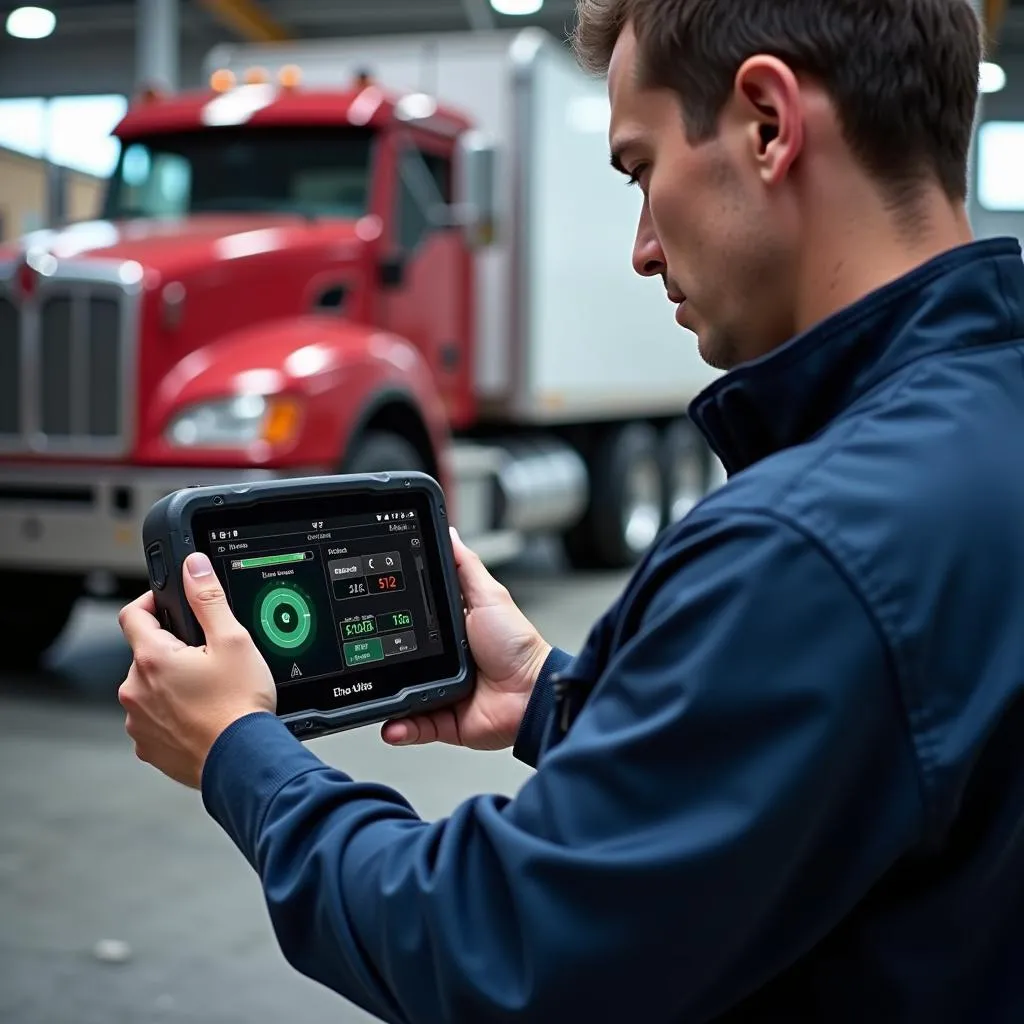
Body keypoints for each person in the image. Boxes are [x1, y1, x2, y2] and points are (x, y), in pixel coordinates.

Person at [117, 0, 1024, 1019]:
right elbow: (851, 768)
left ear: (768, 123)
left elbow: (496, 945)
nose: (642, 248)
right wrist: (551, 695)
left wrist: (241, 750)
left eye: (640, 170)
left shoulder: (807, 545)